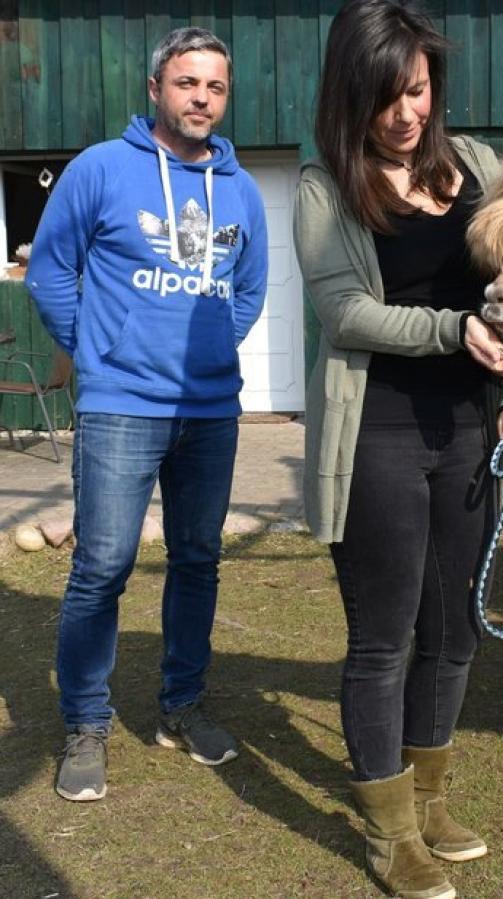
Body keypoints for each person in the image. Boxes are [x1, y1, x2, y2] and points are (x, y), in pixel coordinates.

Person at [293, 2, 503, 897]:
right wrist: (455, 331)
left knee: (456, 629)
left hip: (470, 432)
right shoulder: (327, 186)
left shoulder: (477, 166)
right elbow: (345, 312)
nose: (407, 113)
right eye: (389, 96)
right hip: (380, 435)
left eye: (420, 90)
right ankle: (392, 835)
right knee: (385, 637)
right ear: (353, 95)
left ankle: (428, 796)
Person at [26, 27, 269, 802]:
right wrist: (98, 352)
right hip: (121, 406)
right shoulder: (101, 169)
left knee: (198, 557)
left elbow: (251, 289)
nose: (202, 97)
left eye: (216, 87)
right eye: (187, 82)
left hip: (210, 411)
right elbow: (50, 272)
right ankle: (86, 723)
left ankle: (182, 705)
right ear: (156, 88)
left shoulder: (240, 190)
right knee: (102, 567)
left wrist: (204, 354)